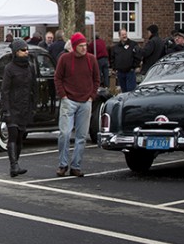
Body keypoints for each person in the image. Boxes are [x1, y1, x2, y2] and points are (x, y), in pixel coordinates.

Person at [54, 32, 100, 177]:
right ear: (74, 47)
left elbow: (97, 79)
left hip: (85, 101)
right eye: (80, 46)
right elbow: (58, 78)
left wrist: (91, 97)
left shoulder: (91, 59)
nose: (84, 48)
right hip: (69, 100)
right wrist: (64, 96)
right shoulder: (65, 59)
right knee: (65, 133)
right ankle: (63, 164)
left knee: (81, 136)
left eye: (85, 45)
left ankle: (76, 165)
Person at [1, 39, 36, 177]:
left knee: (20, 137)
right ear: (16, 52)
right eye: (23, 50)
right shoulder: (9, 68)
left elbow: (34, 88)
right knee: (13, 135)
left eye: (27, 49)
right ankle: (13, 165)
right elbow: (5, 91)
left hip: (24, 106)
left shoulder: (30, 67)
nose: (26, 52)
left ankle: (16, 162)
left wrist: (33, 107)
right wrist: (6, 110)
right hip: (12, 106)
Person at [110, 29, 140, 93]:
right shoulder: (116, 47)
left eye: (125, 34)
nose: (124, 36)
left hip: (130, 72)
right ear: (119, 36)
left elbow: (138, 55)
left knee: (131, 91)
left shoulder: (133, 44)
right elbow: (112, 58)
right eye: (122, 35)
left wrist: (136, 66)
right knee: (124, 91)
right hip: (120, 72)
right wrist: (114, 68)